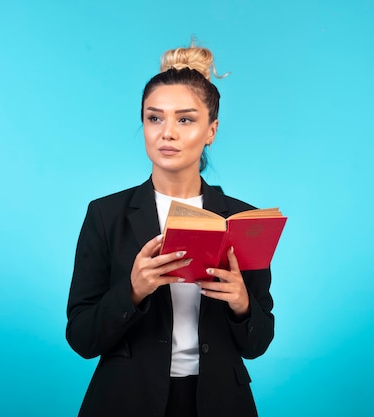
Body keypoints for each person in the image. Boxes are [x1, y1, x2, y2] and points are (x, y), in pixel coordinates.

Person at [66, 42, 275, 417]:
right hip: (125, 400)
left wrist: (243, 304)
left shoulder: (243, 220)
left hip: (221, 402)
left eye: (185, 119)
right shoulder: (106, 215)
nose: (167, 133)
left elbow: (258, 344)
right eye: (154, 118)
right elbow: (81, 337)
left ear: (211, 130)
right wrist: (132, 291)